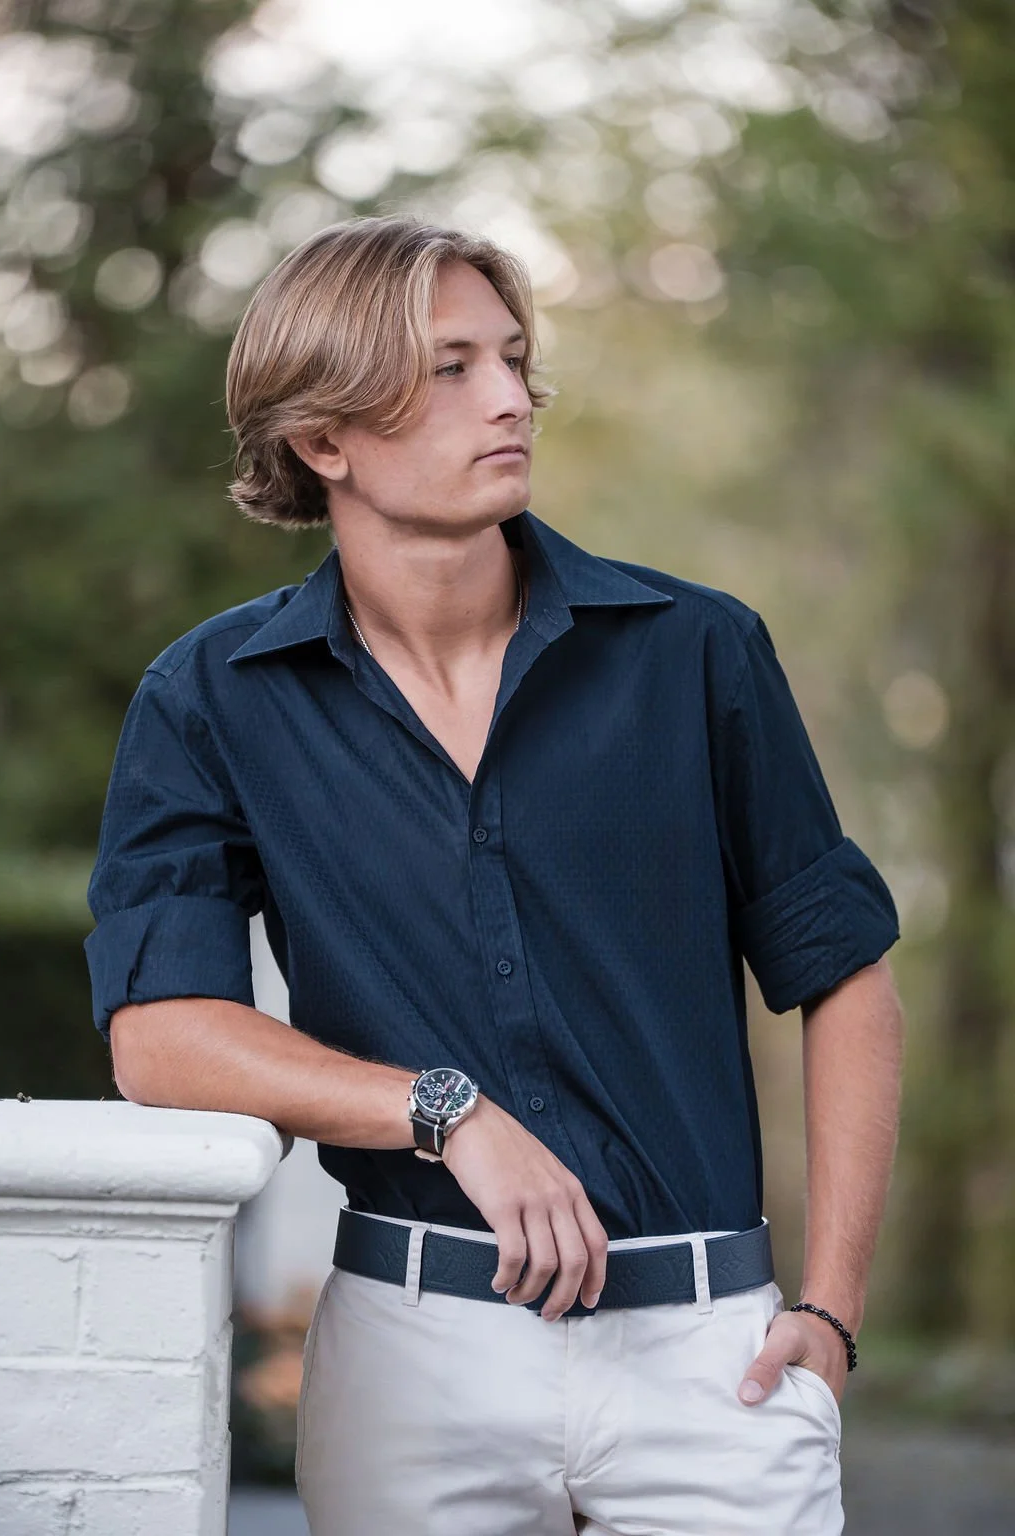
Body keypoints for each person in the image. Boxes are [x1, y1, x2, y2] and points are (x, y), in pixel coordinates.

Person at [85, 215, 904, 1534]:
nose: (514, 398)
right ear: (325, 439)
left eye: (514, 360)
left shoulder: (696, 652)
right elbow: (160, 1036)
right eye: (452, 369)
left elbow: (845, 975)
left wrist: (832, 1309)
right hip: (414, 1362)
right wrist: (443, 1110)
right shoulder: (211, 699)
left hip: (715, 1360)